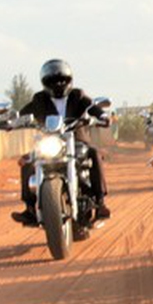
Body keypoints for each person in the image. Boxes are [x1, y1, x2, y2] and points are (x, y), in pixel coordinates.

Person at [8, 58, 108, 224]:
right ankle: (30, 208)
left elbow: (91, 107)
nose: (58, 84)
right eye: (53, 81)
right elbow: (23, 113)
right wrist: (11, 122)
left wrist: (102, 116)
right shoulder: (39, 99)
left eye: (62, 80)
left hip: (76, 140)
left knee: (95, 154)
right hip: (50, 141)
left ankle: (100, 202)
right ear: (45, 83)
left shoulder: (78, 96)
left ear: (69, 80)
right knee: (27, 161)